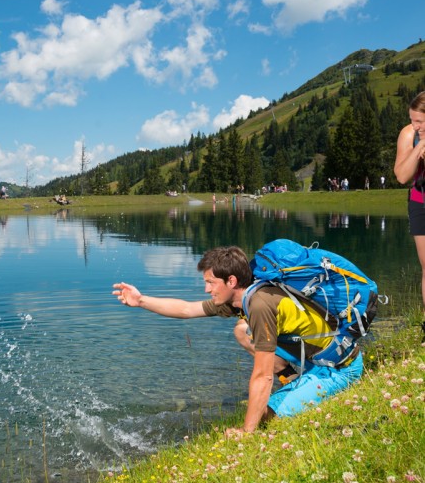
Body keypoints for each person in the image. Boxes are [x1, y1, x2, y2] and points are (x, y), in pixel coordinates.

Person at [112, 246, 363, 434]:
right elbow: (188, 309)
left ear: (231, 281)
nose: (207, 290)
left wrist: (246, 432)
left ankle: (309, 387)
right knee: (242, 332)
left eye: (211, 283)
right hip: (316, 358)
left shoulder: (260, 305)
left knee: (265, 416)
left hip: (338, 370)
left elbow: (262, 376)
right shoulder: (243, 297)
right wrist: (141, 300)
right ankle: (295, 380)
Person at [394, 91, 425, 308]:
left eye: (420, 121)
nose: (415, 126)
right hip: (420, 202)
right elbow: (402, 175)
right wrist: (419, 148)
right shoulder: (408, 134)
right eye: (412, 120)